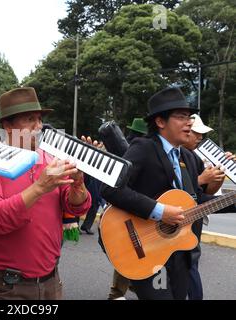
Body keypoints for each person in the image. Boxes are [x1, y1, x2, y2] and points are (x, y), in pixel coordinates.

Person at [101, 87, 236, 300]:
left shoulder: (189, 158)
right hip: (146, 249)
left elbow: (197, 201)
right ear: (160, 122)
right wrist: (159, 211)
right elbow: (110, 188)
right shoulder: (143, 148)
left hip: (179, 253)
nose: (189, 122)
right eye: (181, 117)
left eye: (189, 117)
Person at [0, 87, 92, 300]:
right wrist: (39, 187)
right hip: (6, 286)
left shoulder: (51, 157)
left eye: (39, 119)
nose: (38, 126)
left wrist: (78, 184)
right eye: (30, 119)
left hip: (50, 279)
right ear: (8, 126)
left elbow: (76, 205)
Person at [183, 114, 235, 300]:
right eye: (196, 133)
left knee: (190, 266)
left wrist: (219, 173)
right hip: (173, 224)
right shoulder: (174, 154)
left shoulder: (196, 158)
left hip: (192, 223)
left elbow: (205, 194)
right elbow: (176, 191)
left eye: (201, 134)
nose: (200, 137)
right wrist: (202, 178)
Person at [107, 117, 147, 300]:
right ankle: (118, 292)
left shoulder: (123, 147)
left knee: (129, 252)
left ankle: (124, 289)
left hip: (122, 209)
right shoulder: (138, 151)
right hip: (132, 208)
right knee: (130, 253)